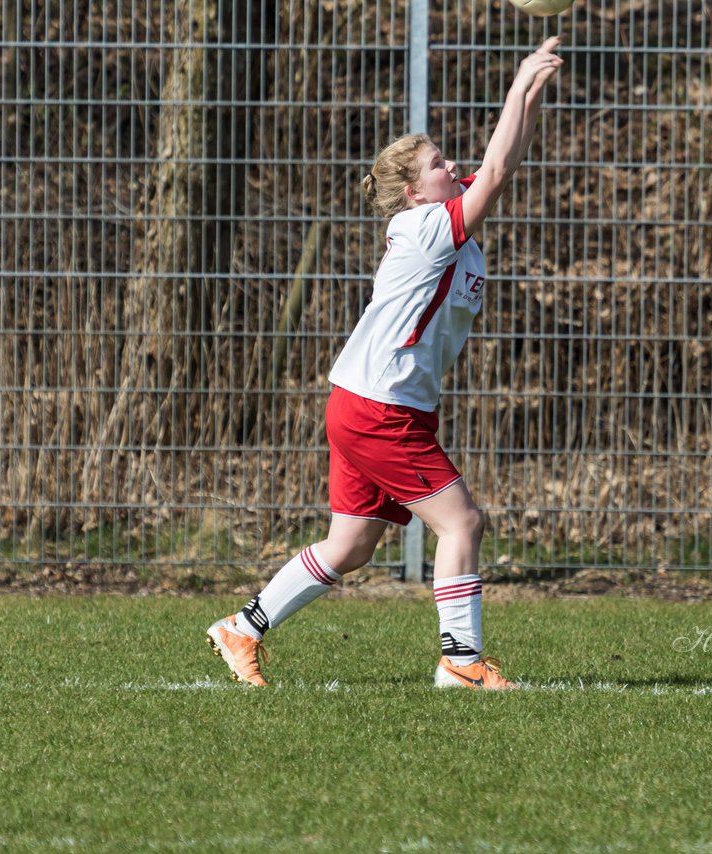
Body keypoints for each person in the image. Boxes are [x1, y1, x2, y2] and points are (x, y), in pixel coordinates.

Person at [206, 36, 565, 690]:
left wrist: (533, 92)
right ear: (411, 191)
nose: (451, 164)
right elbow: (499, 169)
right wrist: (518, 86)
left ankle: (242, 628)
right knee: (463, 523)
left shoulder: (447, 233)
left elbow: (500, 166)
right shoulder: (428, 227)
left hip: (375, 404)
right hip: (379, 409)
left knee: (352, 544)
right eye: (437, 162)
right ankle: (460, 661)